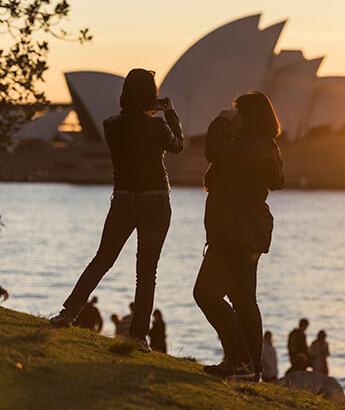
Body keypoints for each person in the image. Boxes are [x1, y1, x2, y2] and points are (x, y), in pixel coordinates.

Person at [49, 68, 184, 353]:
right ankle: (138, 336)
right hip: (155, 202)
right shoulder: (158, 126)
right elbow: (178, 146)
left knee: (102, 259)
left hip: (122, 199)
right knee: (147, 273)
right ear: (152, 94)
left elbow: (131, 130)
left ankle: (68, 313)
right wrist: (170, 114)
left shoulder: (110, 124)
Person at [194, 91, 284, 381]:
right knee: (244, 299)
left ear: (250, 117)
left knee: (206, 294)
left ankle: (241, 360)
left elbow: (214, 151)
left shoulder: (251, 146)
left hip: (237, 233)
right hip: (245, 231)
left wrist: (220, 122)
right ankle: (249, 369)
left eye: (237, 112)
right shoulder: (260, 146)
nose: (234, 116)